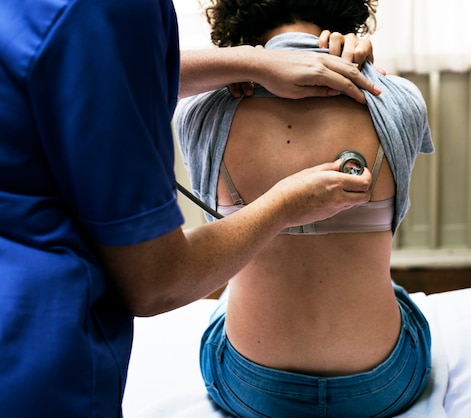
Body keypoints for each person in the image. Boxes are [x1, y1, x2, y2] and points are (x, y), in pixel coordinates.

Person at [0, 0, 381, 416]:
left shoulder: (198, 113)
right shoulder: (397, 101)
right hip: (36, 361)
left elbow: (95, 65)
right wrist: (286, 204)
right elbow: (156, 282)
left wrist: (249, 62)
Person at [174, 0, 434, 416]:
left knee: (228, 303)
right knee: (398, 297)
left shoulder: (198, 110)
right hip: (384, 384)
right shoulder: (400, 99)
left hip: (251, 389)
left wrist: (241, 65)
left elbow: (141, 75)